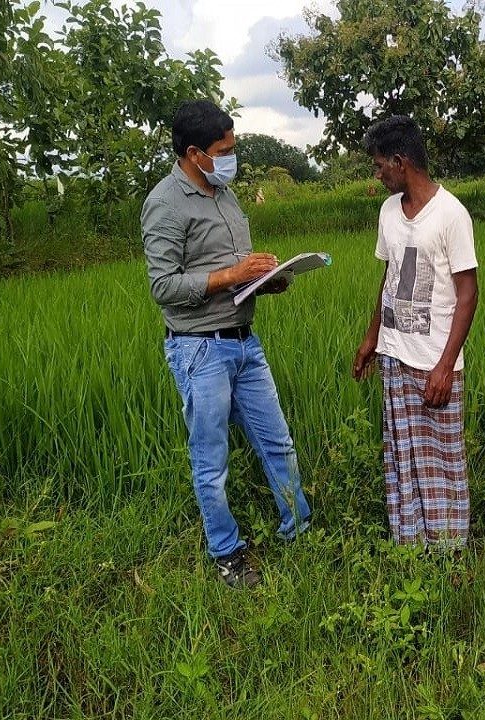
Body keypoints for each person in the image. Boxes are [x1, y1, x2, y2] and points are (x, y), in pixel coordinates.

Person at [142, 99, 310, 588]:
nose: (231, 158)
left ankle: (299, 529)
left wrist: (265, 279)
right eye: (224, 150)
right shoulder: (164, 205)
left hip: (244, 342)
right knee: (210, 461)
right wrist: (234, 274)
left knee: (277, 442)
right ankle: (226, 552)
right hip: (200, 350)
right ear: (195, 153)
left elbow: (233, 271)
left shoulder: (226, 194)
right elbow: (164, 287)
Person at [352, 115, 479, 549]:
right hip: (394, 354)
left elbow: (468, 295)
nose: (378, 174)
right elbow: (389, 279)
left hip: (433, 362)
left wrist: (445, 366)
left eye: (379, 165)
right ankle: (411, 546)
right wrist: (372, 338)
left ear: (401, 161)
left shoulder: (451, 214)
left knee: (443, 458)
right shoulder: (388, 212)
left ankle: (449, 550)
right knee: (402, 456)